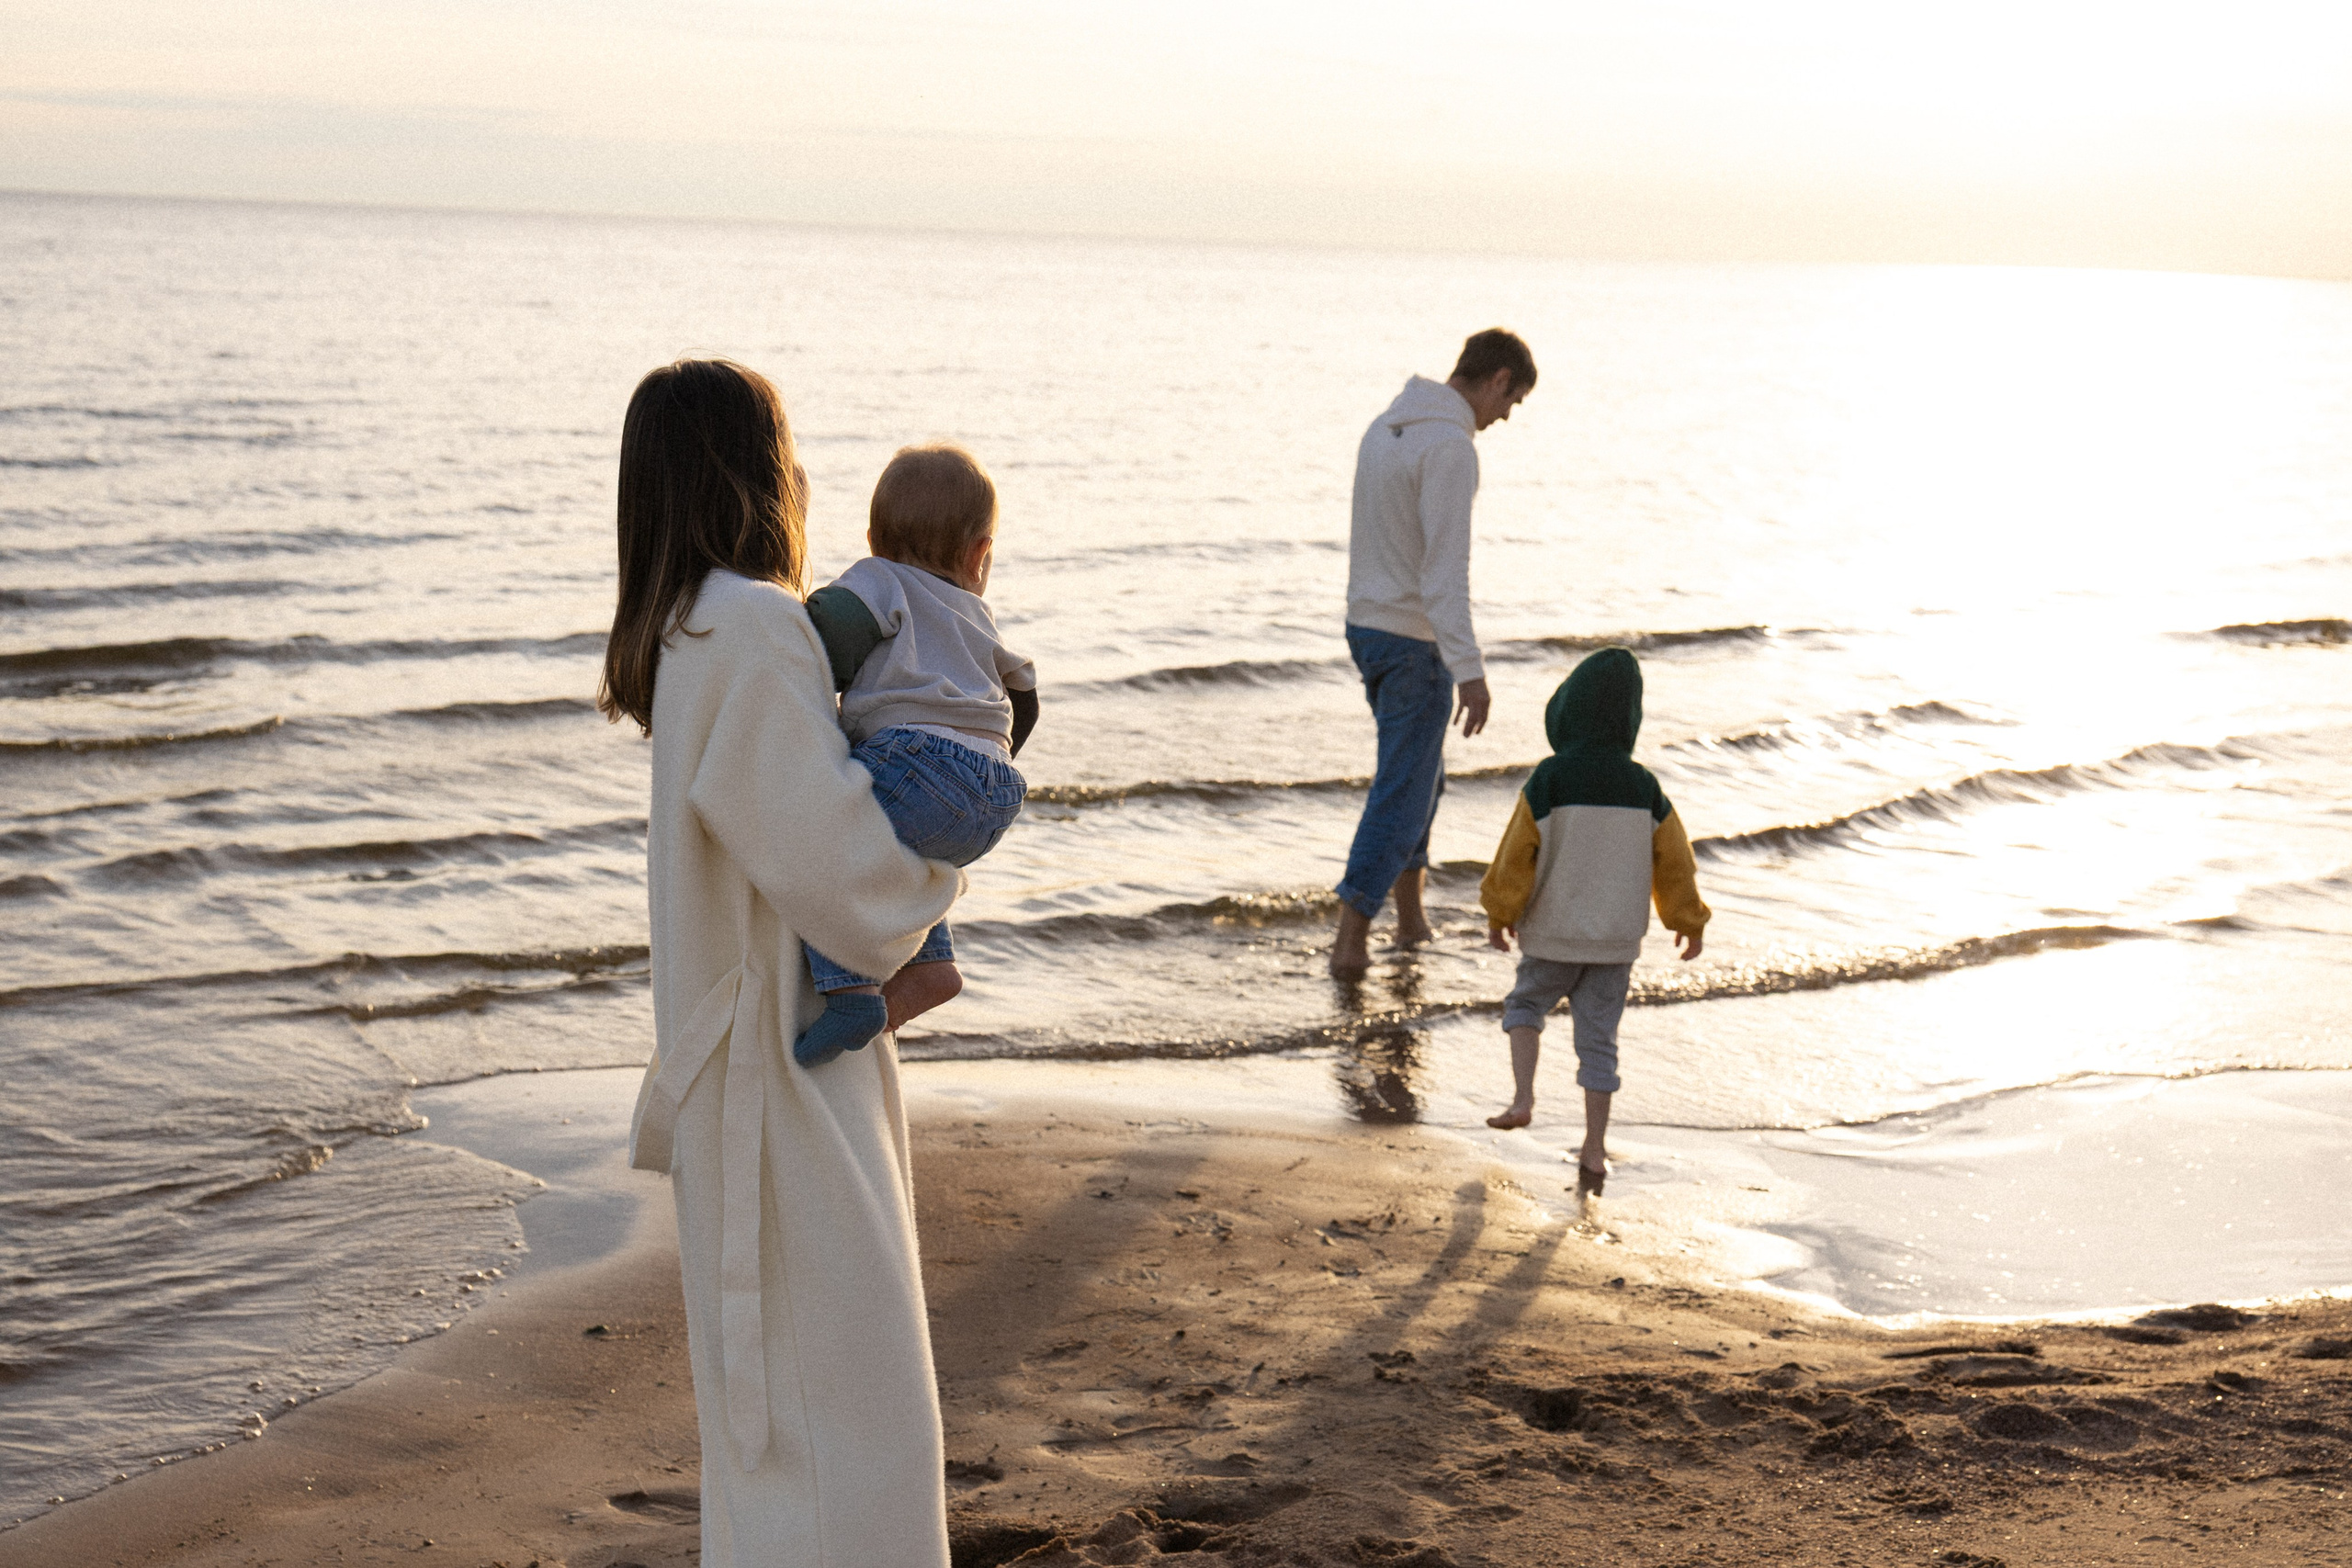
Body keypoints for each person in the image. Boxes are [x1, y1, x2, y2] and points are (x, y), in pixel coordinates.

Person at [599, 359, 964, 1567]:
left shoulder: (694, 627)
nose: (806, 472)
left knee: (793, 1449)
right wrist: (949, 857)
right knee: (849, 1443)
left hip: (760, 1077)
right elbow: (850, 886)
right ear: (753, 470)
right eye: (788, 448)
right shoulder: (752, 625)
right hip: (780, 1090)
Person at [794, 442, 1038, 1066]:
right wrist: (980, 762)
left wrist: (790, 618)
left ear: (873, 538)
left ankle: (849, 990)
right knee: (902, 858)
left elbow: (830, 632)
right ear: (980, 554)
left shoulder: (880, 578)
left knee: (825, 830)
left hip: (917, 759)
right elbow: (1024, 698)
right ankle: (933, 967)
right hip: (998, 788)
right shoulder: (978, 613)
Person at [1330, 327, 1536, 976]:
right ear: (1499, 378)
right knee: (1403, 791)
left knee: (1422, 777)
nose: (1505, 418)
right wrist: (1471, 672)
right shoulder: (1450, 447)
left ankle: (1412, 920)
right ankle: (1351, 939)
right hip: (1413, 642)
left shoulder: (1385, 426)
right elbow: (1445, 575)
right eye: (1513, 401)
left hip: (1367, 626)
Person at [1476, 647, 1709, 1197]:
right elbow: (1674, 860)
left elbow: (1516, 855)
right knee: (1599, 1044)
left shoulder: (1549, 780)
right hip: (1615, 944)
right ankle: (1594, 1147)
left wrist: (1499, 912)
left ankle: (1523, 1099)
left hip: (1553, 936)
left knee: (1526, 1006)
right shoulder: (1644, 787)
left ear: (1567, 713)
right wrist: (1687, 919)